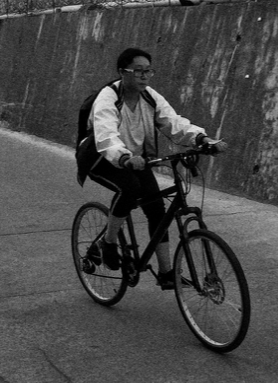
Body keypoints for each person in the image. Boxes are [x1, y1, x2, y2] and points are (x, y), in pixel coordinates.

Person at [75, 47, 226, 288]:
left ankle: (167, 273)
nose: (144, 76)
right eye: (138, 71)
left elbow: (173, 123)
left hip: (136, 158)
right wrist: (124, 157)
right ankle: (109, 242)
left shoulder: (150, 97)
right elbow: (106, 136)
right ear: (122, 72)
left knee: (157, 208)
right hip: (101, 157)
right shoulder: (108, 97)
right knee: (130, 189)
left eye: (148, 71)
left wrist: (202, 140)